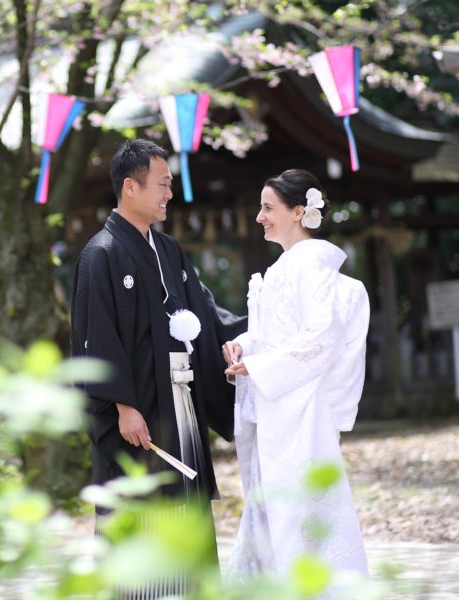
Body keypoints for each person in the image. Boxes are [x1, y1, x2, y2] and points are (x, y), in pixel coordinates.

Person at [70, 139, 245, 539]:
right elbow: (96, 336)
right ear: (130, 187)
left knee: (185, 493)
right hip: (137, 407)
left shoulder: (167, 249)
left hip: (180, 398)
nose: (170, 193)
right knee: (142, 502)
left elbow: (201, 309)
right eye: (162, 184)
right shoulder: (101, 253)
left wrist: (242, 337)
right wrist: (123, 405)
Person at [222, 169, 370, 589]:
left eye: (268, 208)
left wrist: (261, 366)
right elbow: (279, 334)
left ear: (298, 212)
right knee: (277, 510)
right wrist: (244, 348)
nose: (260, 217)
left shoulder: (309, 265)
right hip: (279, 406)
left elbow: (322, 338)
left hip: (301, 412)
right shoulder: (288, 266)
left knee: (302, 514)